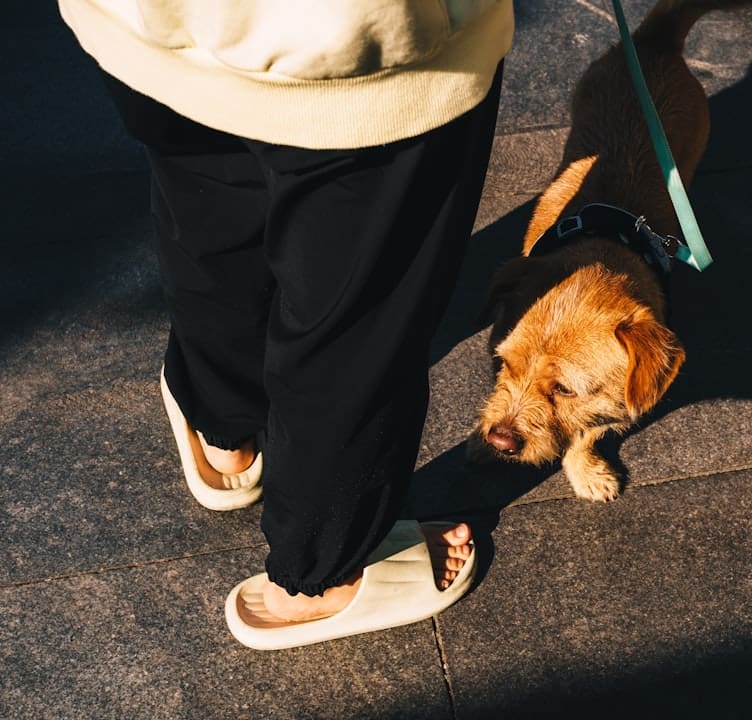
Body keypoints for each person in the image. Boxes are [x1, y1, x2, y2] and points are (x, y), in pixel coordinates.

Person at [58, 0, 514, 650]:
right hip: (359, 42)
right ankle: (315, 577)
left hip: (150, 18)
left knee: (207, 212)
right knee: (357, 310)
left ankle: (223, 432)